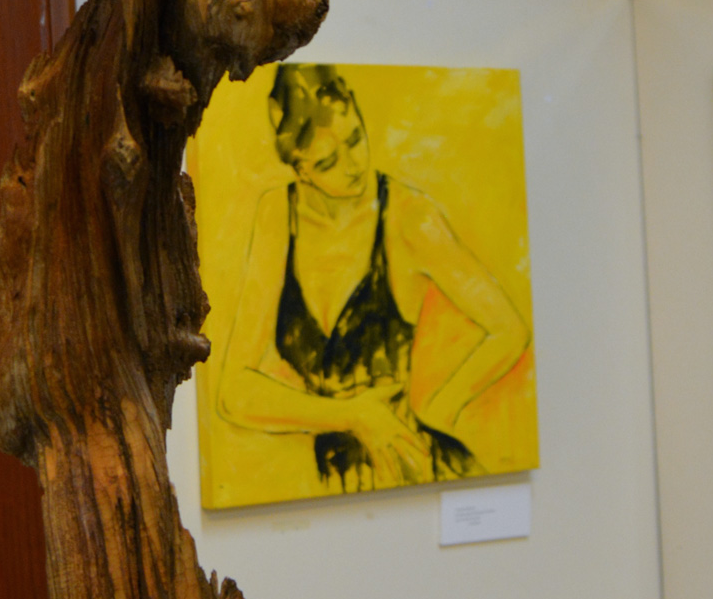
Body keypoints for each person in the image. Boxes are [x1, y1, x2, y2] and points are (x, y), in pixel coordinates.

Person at [218, 65, 530, 492]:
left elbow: (509, 330)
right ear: (301, 170)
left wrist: (437, 410)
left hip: (414, 472)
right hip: (336, 489)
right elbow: (234, 392)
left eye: (355, 139)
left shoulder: (408, 217)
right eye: (327, 162)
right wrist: (352, 416)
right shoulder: (277, 216)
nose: (353, 165)